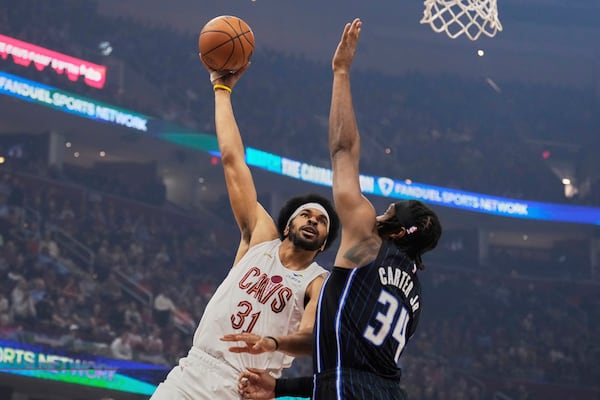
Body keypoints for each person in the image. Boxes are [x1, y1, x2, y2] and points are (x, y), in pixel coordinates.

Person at [230, 18, 442, 400]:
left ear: (394, 230)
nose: (376, 213)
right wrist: (279, 388)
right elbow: (358, 370)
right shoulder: (415, 296)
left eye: (387, 212)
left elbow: (343, 150)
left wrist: (341, 72)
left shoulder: (368, 239)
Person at [149, 50, 340, 400]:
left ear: (325, 244)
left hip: (243, 386)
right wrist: (222, 90)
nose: (313, 220)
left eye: (322, 221)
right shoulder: (261, 236)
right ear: (288, 225)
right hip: (194, 370)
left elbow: (310, 337)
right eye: (306, 214)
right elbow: (233, 159)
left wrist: (272, 343)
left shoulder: (319, 281)